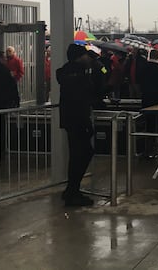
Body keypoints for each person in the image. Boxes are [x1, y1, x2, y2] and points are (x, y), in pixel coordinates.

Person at [56, 44, 98, 207]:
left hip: (69, 119)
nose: (89, 58)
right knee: (82, 154)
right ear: (79, 57)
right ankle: (73, 191)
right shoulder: (80, 74)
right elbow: (83, 98)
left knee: (76, 154)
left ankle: (72, 189)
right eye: (86, 56)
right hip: (78, 119)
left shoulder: (66, 72)